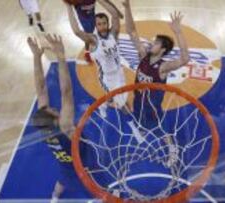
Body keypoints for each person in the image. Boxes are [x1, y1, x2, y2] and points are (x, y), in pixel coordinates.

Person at [123, 0, 190, 166]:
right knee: (138, 119)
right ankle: (142, 129)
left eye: (156, 43)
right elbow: (131, 31)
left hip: (152, 107)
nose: (151, 44)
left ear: (162, 49)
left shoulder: (163, 67)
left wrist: (178, 32)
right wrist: (127, 8)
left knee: (161, 131)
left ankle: (172, 152)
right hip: (138, 101)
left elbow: (185, 59)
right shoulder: (143, 56)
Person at [66, 0, 142, 142]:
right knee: (122, 105)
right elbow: (77, 31)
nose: (102, 26)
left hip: (119, 74)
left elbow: (114, 14)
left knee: (116, 100)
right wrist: (69, 8)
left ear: (107, 24)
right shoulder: (93, 40)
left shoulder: (114, 33)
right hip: (107, 78)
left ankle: (103, 104)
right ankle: (134, 129)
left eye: (104, 23)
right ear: (96, 25)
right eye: (99, 24)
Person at [27, 34, 85, 201]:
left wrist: (36, 57)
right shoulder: (65, 125)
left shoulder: (42, 120)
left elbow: (41, 88)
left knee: (63, 179)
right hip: (81, 154)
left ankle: (54, 197)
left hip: (63, 160)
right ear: (54, 120)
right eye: (53, 111)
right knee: (94, 173)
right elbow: (66, 92)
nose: (53, 108)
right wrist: (61, 57)